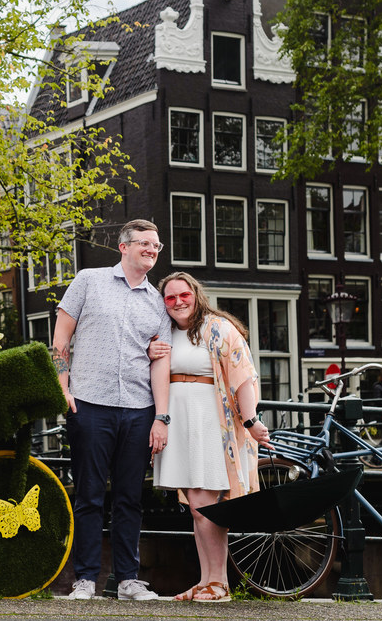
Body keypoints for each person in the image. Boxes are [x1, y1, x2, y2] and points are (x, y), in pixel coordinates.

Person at [52, 219, 173, 601]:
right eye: (145, 244)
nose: (152, 250)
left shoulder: (158, 302)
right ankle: (85, 580)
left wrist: (161, 416)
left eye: (157, 245)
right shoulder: (89, 280)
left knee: (129, 498)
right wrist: (62, 388)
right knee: (88, 494)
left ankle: (127, 581)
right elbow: (60, 339)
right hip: (89, 404)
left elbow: (161, 363)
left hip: (138, 409)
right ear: (124, 246)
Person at [151, 271, 271, 603]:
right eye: (171, 297)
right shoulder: (167, 333)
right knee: (195, 507)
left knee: (206, 506)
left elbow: (242, 375)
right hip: (179, 422)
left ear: (196, 294)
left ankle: (219, 583)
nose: (178, 302)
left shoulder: (218, 328)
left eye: (183, 295)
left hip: (208, 422)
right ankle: (205, 581)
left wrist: (250, 421)